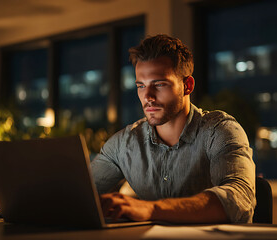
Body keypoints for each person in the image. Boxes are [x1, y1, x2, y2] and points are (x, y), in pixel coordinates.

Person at [91, 34, 256, 223]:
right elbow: (80, 195)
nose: (148, 97)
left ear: (187, 85)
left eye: (159, 84)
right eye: (141, 86)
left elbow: (239, 198)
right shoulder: (124, 144)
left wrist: (151, 209)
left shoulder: (219, 131)